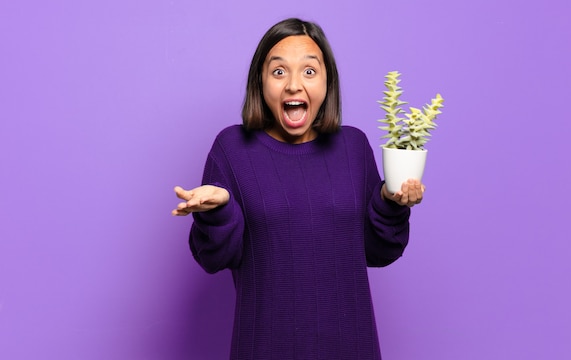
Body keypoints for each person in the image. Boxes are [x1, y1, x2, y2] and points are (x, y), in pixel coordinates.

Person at [172, 18, 425, 360]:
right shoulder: (232, 148)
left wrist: (389, 202)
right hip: (263, 348)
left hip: (350, 345)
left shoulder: (353, 146)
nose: (293, 85)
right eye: (279, 72)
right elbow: (213, 258)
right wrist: (220, 212)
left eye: (309, 71)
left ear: (327, 82)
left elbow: (378, 251)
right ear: (260, 83)